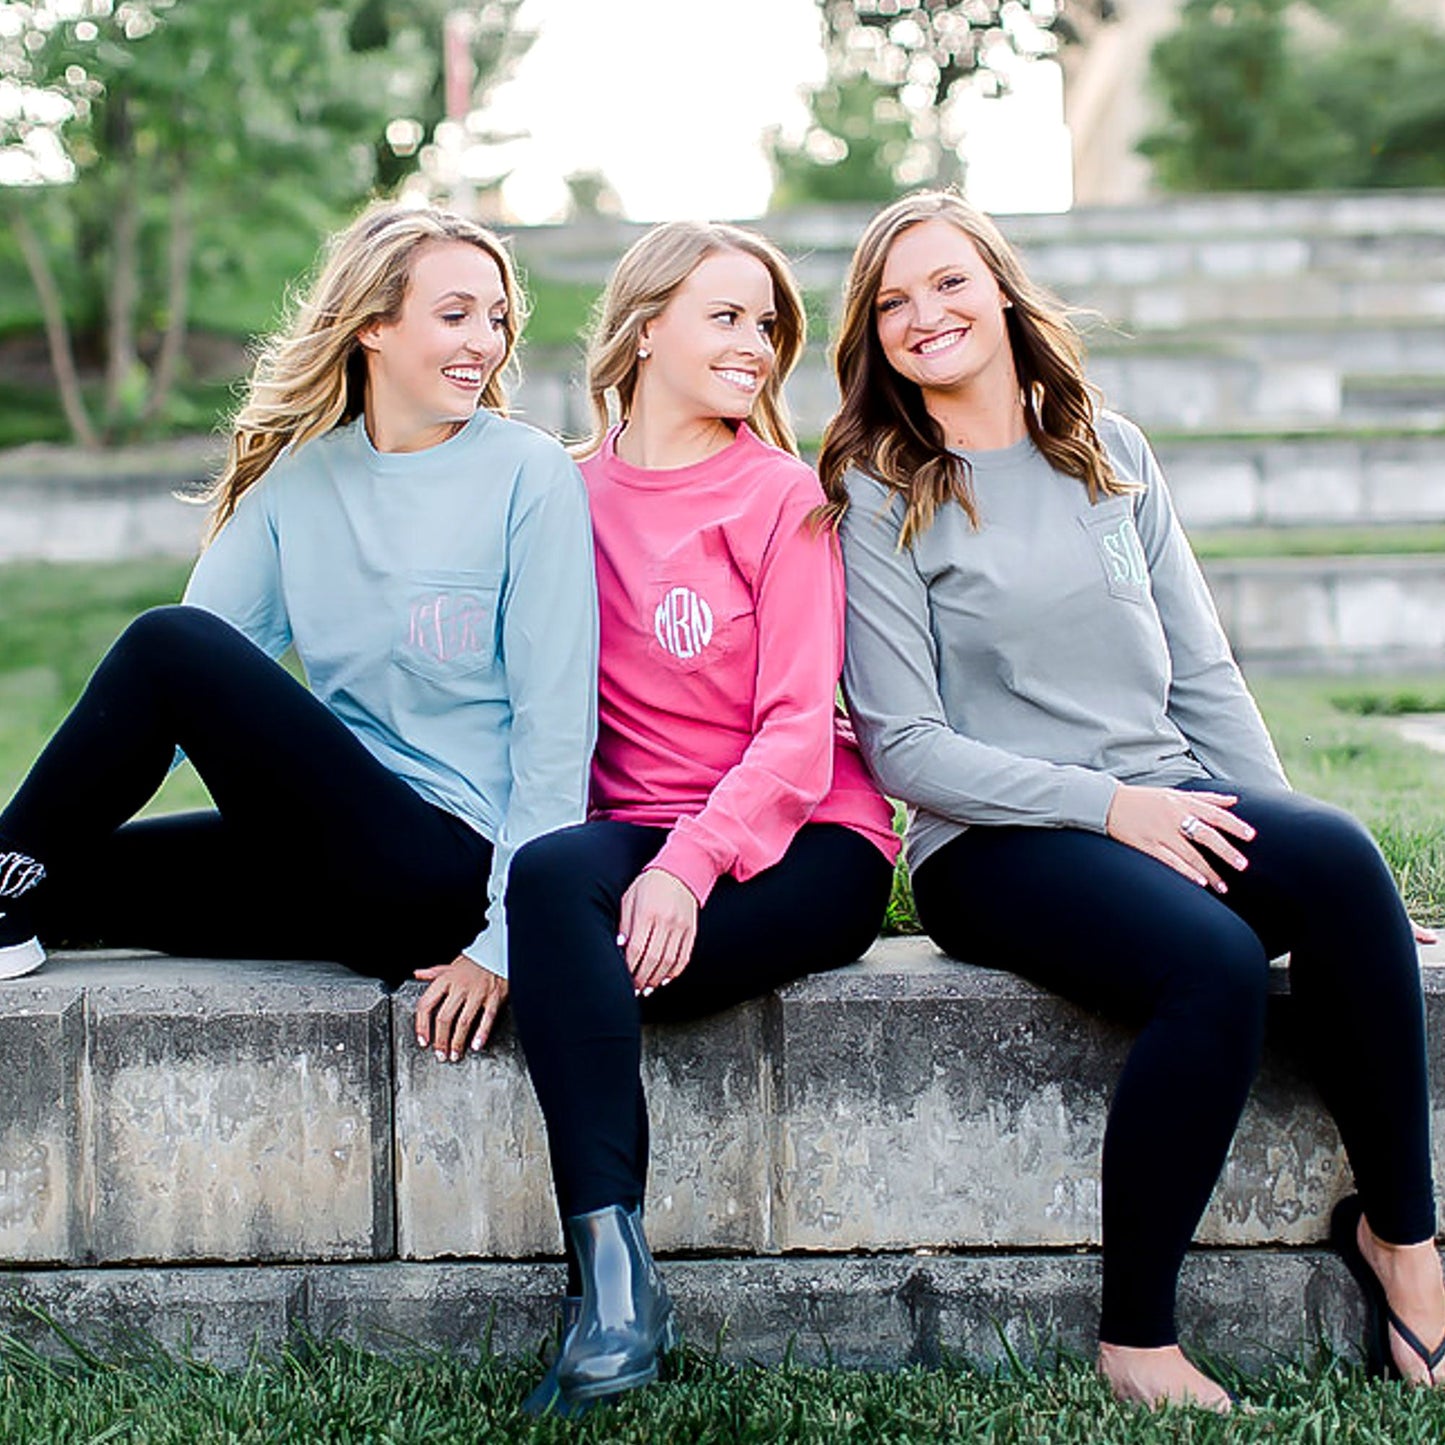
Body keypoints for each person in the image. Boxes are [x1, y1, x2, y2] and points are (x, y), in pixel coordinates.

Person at [823, 190, 1445, 1411]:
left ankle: (1403, 1246)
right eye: (891, 302)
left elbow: (1201, 671)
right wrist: (1110, 805)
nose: (921, 315)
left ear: (999, 289)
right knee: (1208, 963)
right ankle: (1136, 1335)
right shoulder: (877, 483)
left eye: (946, 283)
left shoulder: (1106, 447)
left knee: (1341, 860)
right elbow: (905, 747)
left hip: (1157, 794)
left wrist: (1293, 851)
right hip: (990, 842)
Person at [0, 202, 597, 1063]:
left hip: (444, 872)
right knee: (67, 871)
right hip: (321, 855)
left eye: (497, 317)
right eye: (455, 314)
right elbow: (173, 707)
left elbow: (556, 732)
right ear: (373, 328)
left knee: (169, 641)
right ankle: (12, 882)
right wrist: (71, 812)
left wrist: (505, 942)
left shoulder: (528, 475)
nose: (486, 341)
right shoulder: (302, 479)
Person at [506, 220, 899, 1414]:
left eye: (766, 322)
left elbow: (793, 731)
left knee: (573, 956)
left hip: (804, 844)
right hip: (637, 834)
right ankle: (617, 1281)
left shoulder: (782, 496)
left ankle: (611, 1303)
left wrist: (686, 867)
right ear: (643, 328)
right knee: (543, 887)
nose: (758, 343)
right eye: (724, 315)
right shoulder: (558, 493)